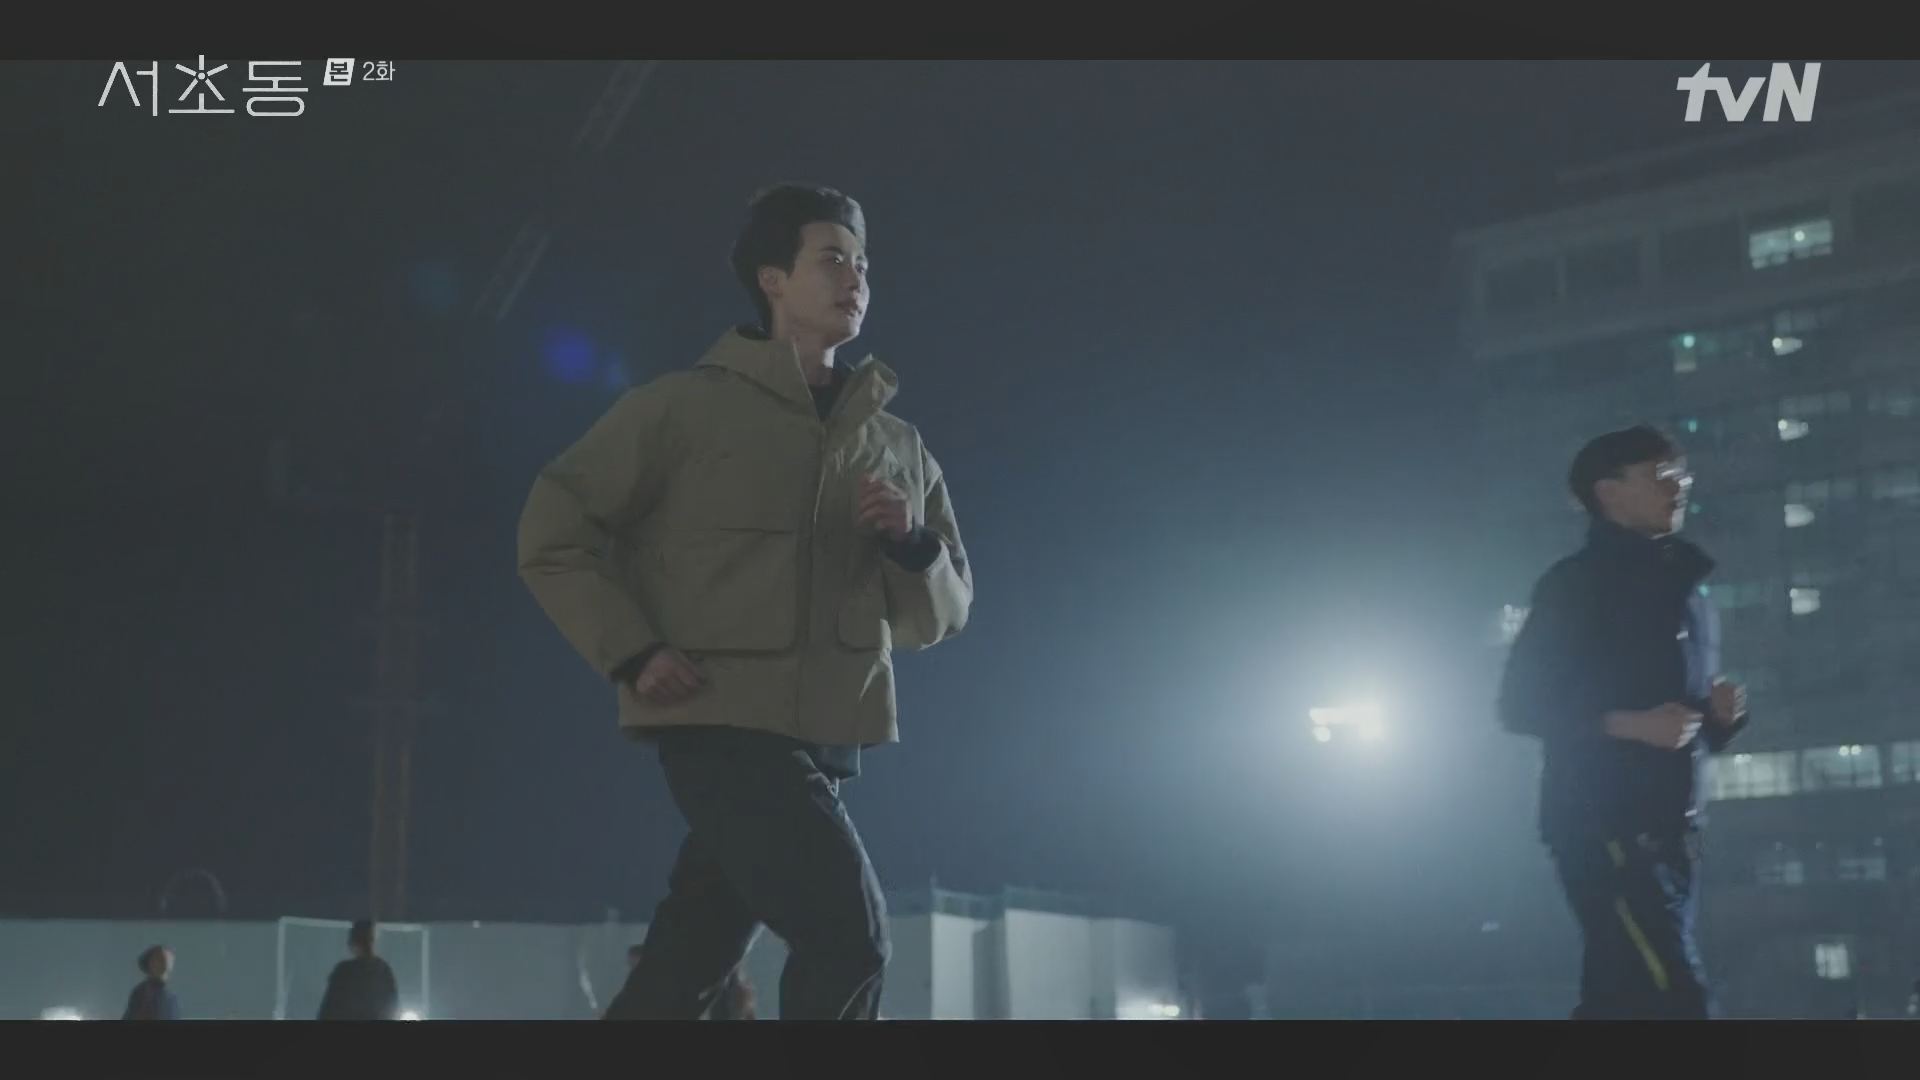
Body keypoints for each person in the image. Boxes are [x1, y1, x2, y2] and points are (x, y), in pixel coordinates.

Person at [519, 183, 972, 1021]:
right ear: (772, 279)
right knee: (850, 938)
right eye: (831, 259)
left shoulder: (897, 446)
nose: (856, 279)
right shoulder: (680, 411)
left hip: (822, 745)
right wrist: (633, 649)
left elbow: (939, 616)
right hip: (720, 726)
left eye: (863, 263)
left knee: (686, 965)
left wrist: (912, 545)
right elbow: (553, 532)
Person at [1498, 425, 1748, 1020]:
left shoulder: (1686, 589)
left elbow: (1678, 723)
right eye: (1662, 475)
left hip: (1675, 831)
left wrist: (1718, 721)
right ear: (1608, 492)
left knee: (1620, 998)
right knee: (1675, 997)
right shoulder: (1576, 585)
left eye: (1682, 474)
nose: (1679, 486)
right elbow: (1520, 704)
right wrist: (1627, 725)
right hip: (1605, 825)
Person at [317, 919, 401, 1020]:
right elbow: (392, 1009)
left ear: (353, 942)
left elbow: (328, 1009)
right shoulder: (383, 971)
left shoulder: (344, 971)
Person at [122, 945, 180, 1020]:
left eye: (170, 959)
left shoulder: (171, 998)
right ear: (150, 963)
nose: (166, 961)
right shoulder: (141, 992)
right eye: (159, 958)